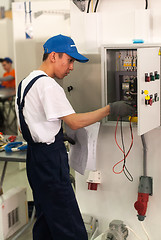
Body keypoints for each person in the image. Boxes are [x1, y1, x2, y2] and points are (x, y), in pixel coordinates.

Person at [15, 34, 134, 240]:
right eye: (69, 60)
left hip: (36, 159)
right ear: (53, 56)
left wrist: (52, 133)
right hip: (50, 160)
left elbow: (26, 123)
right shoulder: (48, 85)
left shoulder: (26, 82)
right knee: (71, 229)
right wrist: (110, 109)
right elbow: (74, 122)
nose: (71, 67)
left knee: (45, 223)